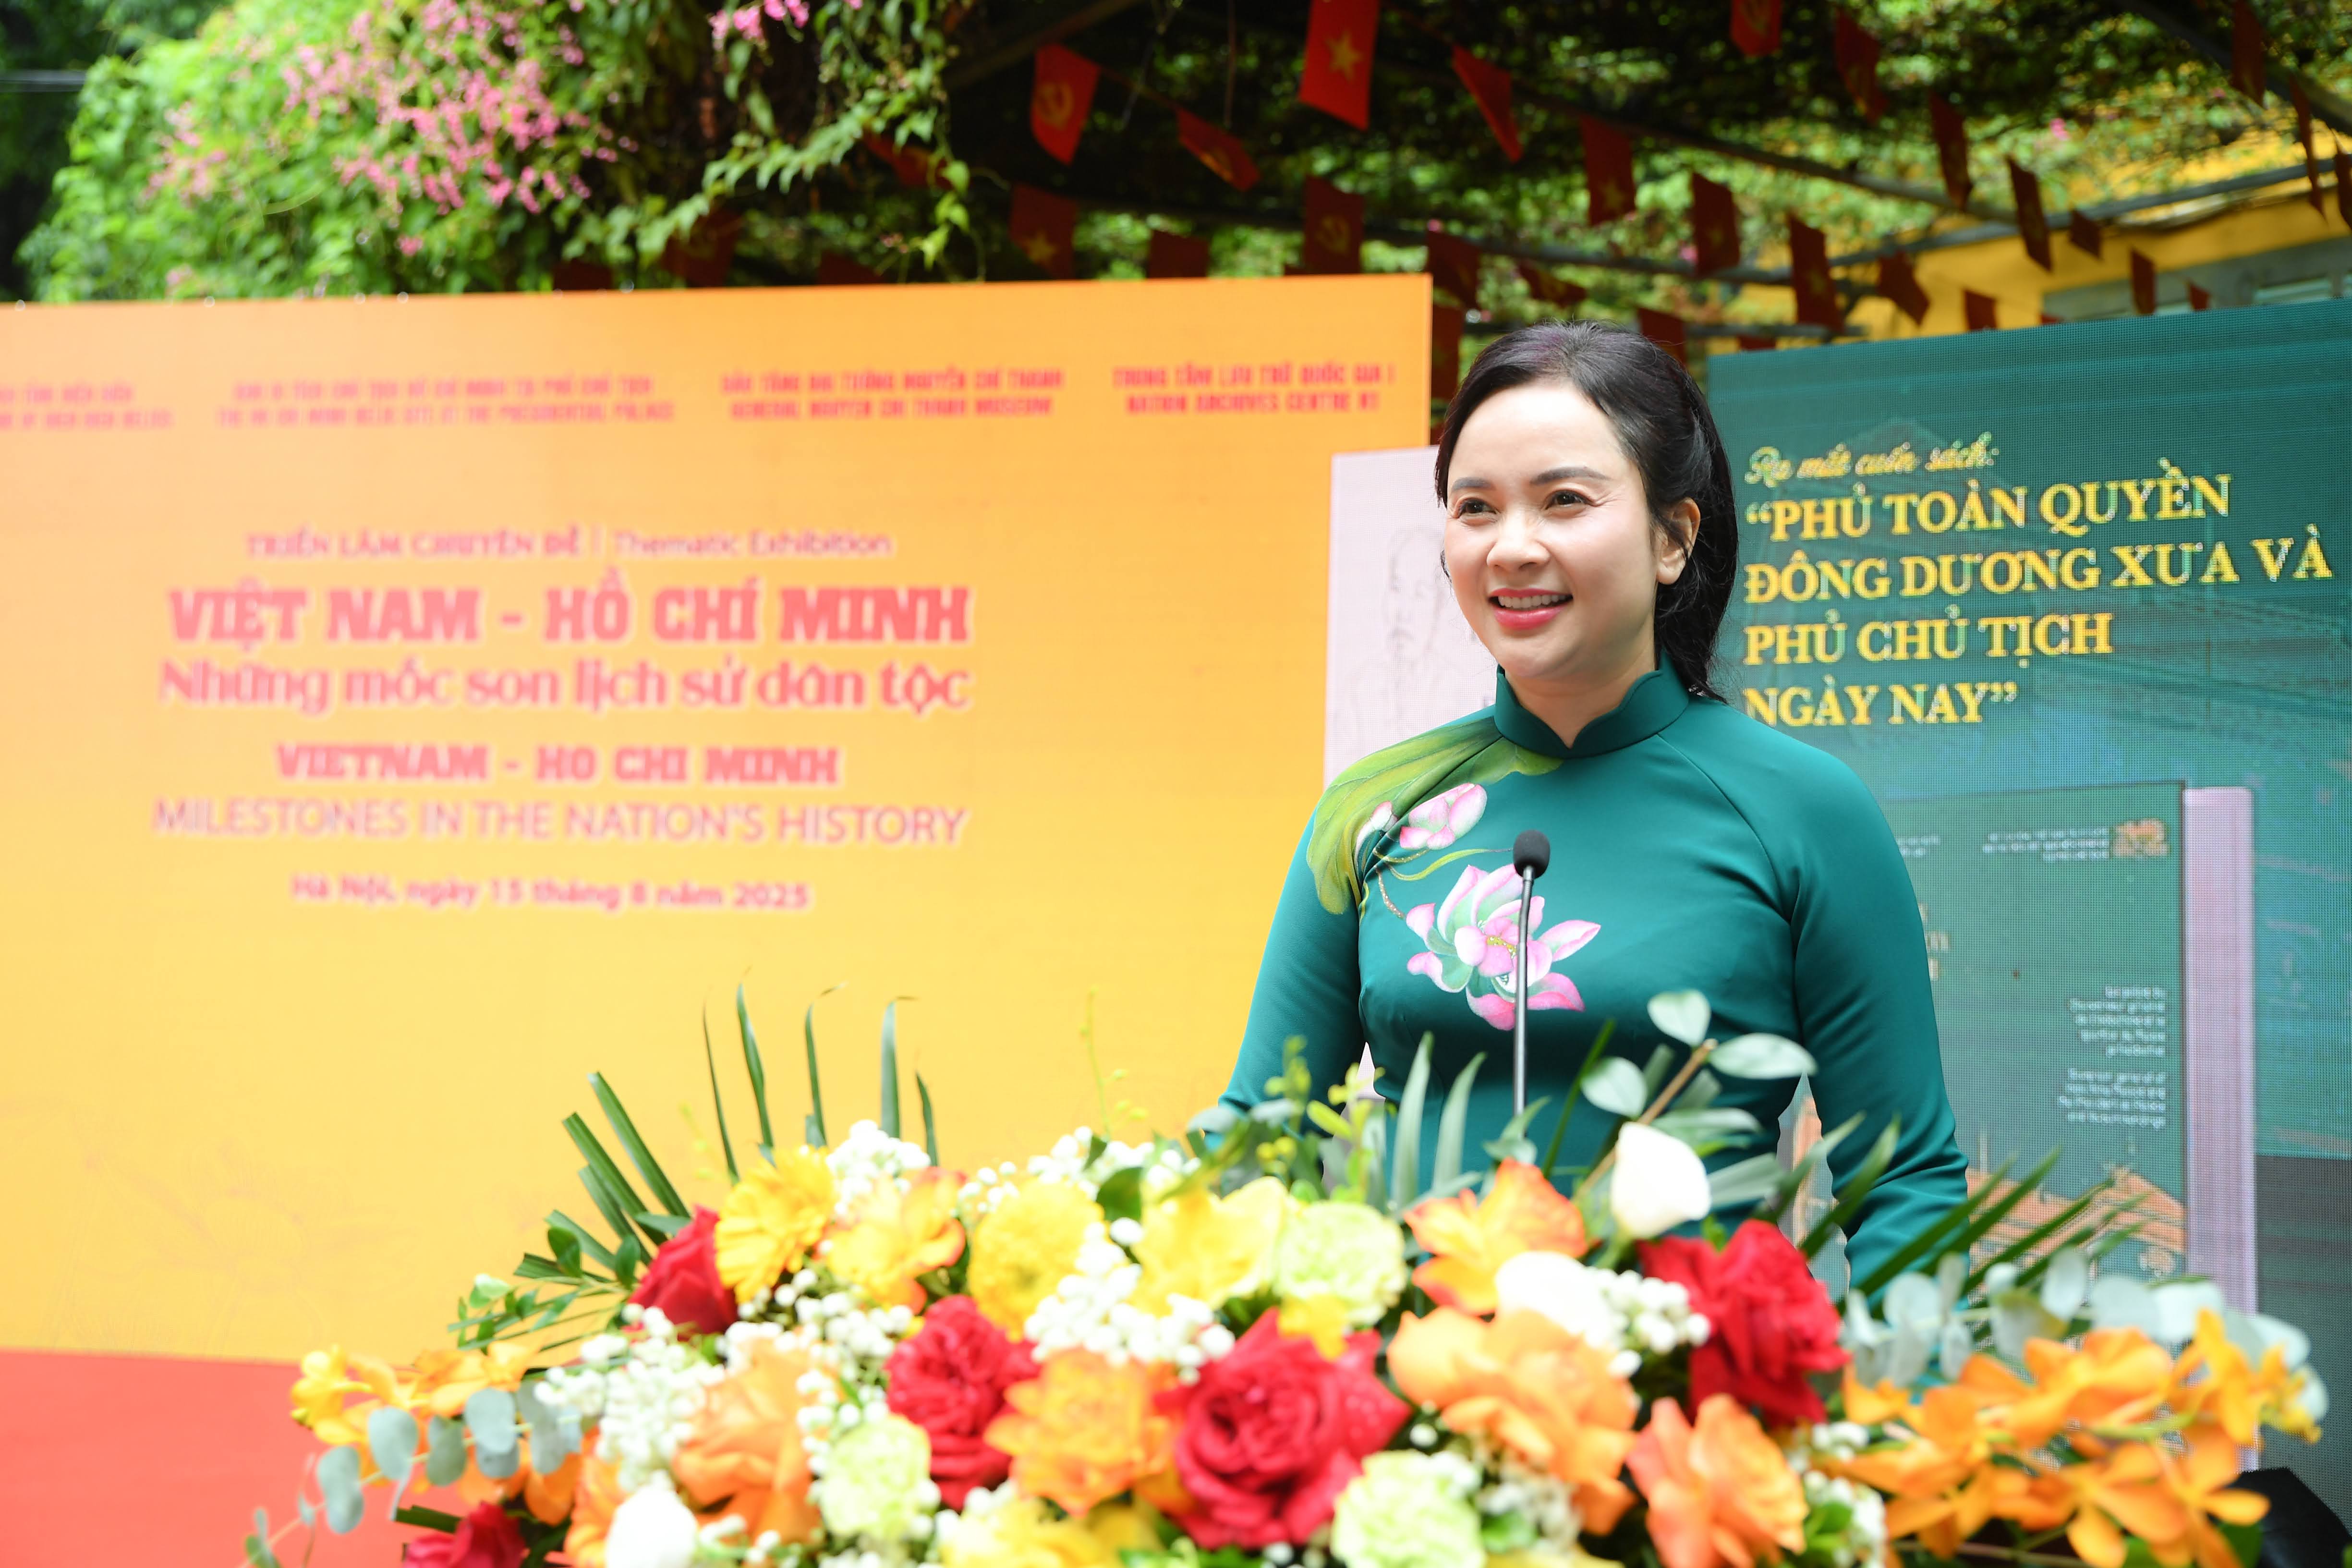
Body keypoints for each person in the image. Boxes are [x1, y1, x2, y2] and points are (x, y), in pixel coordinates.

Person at [1222, 319, 1967, 1287]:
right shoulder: (1372, 811)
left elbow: (1901, 1174)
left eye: (1564, 501)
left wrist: (1905, 1420)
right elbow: (1259, 1141)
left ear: (1672, 538)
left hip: (1692, 1414)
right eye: (1474, 508)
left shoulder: (1805, 810)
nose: (1511, 547)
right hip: (1413, 1410)